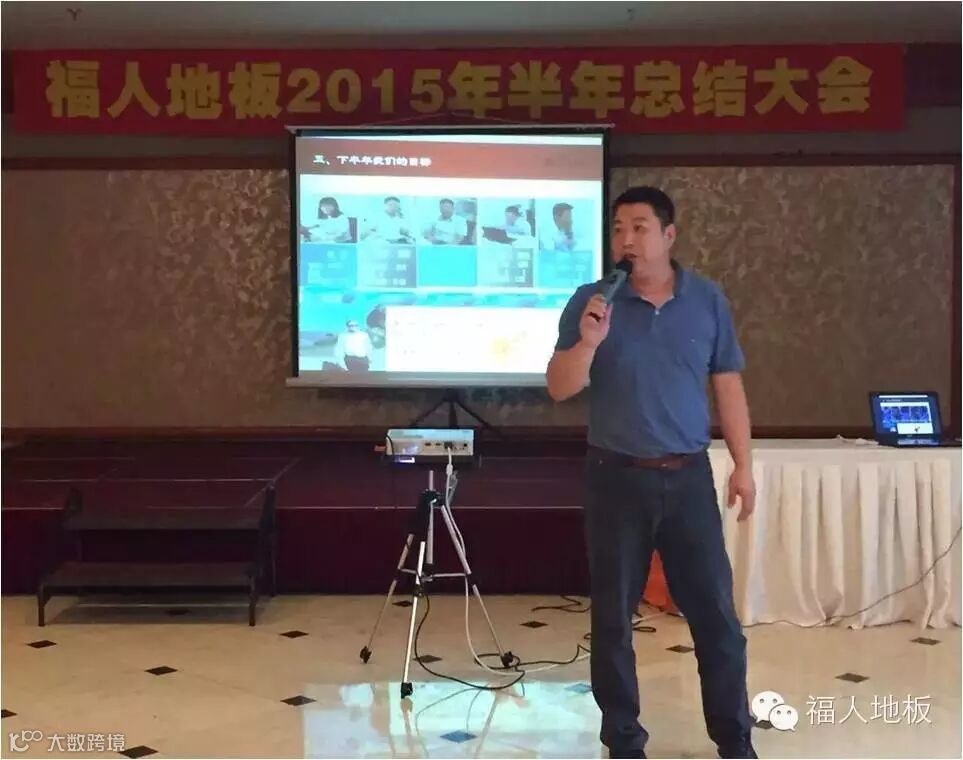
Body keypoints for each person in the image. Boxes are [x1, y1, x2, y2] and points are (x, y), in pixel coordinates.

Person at [546, 186, 756, 760]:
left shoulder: (706, 300)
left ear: (668, 235)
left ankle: (735, 739)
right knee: (614, 620)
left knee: (716, 617)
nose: (627, 239)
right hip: (615, 478)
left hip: (688, 479)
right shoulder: (592, 301)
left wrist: (743, 465)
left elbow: (727, 384)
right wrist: (589, 342)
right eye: (618, 229)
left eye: (639, 227)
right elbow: (559, 386)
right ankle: (624, 741)